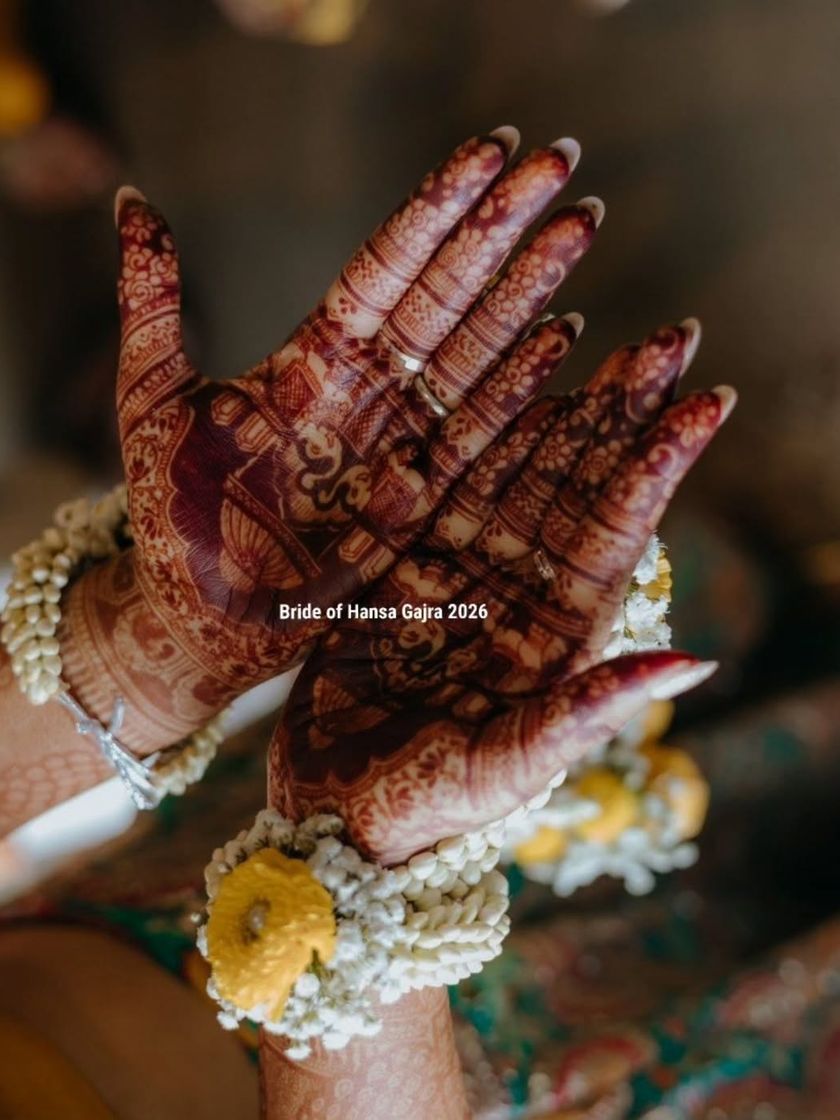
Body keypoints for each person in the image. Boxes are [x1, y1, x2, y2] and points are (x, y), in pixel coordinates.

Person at [0, 126, 733, 1118]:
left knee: (540, 601)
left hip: (181, 877)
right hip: (403, 1064)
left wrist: (144, 650)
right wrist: (364, 886)